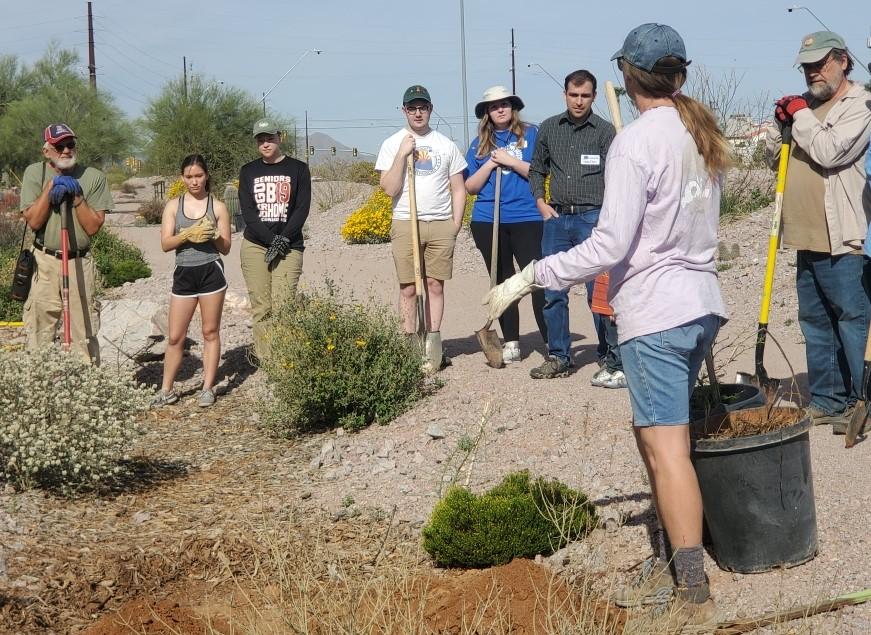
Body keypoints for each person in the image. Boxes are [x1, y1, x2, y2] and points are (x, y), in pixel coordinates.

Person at [484, 23, 730, 627]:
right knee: (655, 438)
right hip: (701, 303)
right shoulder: (700, 132)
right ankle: (671, 556)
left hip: (656, 314)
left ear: (627, 75)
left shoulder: (635, 143)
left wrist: (535, 274)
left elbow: (610, 244)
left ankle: (692, 590)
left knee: (666, 449)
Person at [765, 31, 871, 434]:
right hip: (803, 233)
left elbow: (830, 151)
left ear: (843, 61)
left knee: (852, 320)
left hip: (843, 235)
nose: (813, 72)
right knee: (815, 321)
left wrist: (800, 116)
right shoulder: (805, 108)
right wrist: (781, 126)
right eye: (807, 66)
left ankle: (861, 400)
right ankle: (828, 400)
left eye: (820, 63)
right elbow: (777, 161)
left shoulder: (860, 104)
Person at [528, 70, 624, 386]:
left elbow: (619, 177)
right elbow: (536, 169)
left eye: (585, 96)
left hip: (592, 220)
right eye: (573, 95)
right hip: (557, 220)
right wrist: (540, 202)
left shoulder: (606, 132)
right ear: (565, 95)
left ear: (594, 97)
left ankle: (609, 356)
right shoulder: (549, 128)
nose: (579, 101)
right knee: (554, 290)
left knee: (599, 292)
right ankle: (559, 356)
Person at [375, 85, 467, 372]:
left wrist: (455, 224)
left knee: (435, 285)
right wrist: (402, 155)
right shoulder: (392, 143)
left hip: (440, 223)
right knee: (408, 287)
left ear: (430, 109)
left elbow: (459, 188)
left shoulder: (446, 144)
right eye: (412, 108)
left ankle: (433, 344)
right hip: (406, 222)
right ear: (404, 110)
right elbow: (389, 189)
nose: (418, 113)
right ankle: (409, 347)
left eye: (423, 107)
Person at [464, 85, 546, 362]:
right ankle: (511, 341)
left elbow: (540, 171)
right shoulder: (478, 144)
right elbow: (471, 187)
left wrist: (510, 161)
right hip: (489, 219)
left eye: (505, 104)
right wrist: (490, 164)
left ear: (513, 108)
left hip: (527, 216)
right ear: (487, 112)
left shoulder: (532, 135)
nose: (500, 109)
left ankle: (552, 341)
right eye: (494, 106)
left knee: (537, 279)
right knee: (502, 281)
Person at [20, 123, 112, 364]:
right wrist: (50, 189)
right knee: (39, 331)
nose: (66, 150)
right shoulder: (35, 173)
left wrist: (77, 197)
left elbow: (93, 227)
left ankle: (85, 381)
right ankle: (40, 381)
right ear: (46, 151)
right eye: (59, 146)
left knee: (83, 331)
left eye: (70, 145)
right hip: (44, 261)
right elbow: (33, 221)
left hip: (78, 262)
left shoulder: (94, 177)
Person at [151, 155, 232, 408]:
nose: (194, 181)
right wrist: (187, 234)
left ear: (206, 176)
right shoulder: (173, 206)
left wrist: (213, 234)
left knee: (210, 332)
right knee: (176, 336)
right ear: (182, 178)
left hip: (211, 271)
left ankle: (207, 388)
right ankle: (166, 390)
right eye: (189, 176)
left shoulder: (218, 207)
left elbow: (226, 247)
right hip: (184, 273)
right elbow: (166, 244)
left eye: (198, 176)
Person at [238, 118, 312, 361]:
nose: (266, 143)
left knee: (284, 305)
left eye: (270, 138)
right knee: (261, 306)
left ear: (279, 138)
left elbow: (301, 208)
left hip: (289, 246)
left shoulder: (298, 169)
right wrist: (271, 239)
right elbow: (248, 213)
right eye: (261, 140)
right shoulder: (248, 171)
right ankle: (267, 360)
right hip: (255, 244)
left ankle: (285, 360)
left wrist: (283, 240)